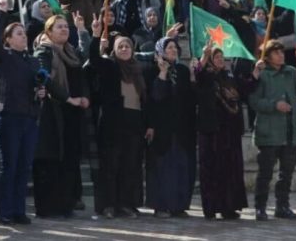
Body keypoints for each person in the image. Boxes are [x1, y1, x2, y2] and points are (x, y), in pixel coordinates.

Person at [0, 0, 44, 225]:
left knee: (23, 167)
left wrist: (40, 93)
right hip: (8, 116)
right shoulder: (4, 56)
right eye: (18, 34)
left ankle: (19, 210)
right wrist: (1, 11)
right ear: (8, 40)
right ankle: (6, 211)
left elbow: (37, 84)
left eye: (24, 33)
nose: (23, 36)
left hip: (29, 118)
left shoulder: (32, 61)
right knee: (9, 166)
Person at [195, 43, 263, 219]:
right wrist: (204, 56)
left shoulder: (229, 76)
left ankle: (229, 207)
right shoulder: (206, 76)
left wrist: (256, 72)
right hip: (212, 131)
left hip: (230, 131)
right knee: (212, 169)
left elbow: (245, 88)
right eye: (216, 57)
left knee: (230, 169)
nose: (220, 60)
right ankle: (211, 208)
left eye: (221, 57)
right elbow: (198, 74)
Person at [33, 13, 91, 218]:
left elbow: (83, 59)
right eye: (59, 27)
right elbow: (45, 78)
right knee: (52, 159)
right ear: (48, 32)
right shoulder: (44, 51)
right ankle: (49, 207)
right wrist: (67, 98)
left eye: (66, 26)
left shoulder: (70, 51)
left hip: (72, 113)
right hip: (53, 111)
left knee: (69, 159)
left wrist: (82, 30)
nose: (64, 29)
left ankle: (66, 203)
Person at [90, 17, 147, 218]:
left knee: (129, 166)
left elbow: (144, 100)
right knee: (110, 166)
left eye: (127, 46)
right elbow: (94, 60)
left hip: (134, 123)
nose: (124, 49)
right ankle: (108, 205)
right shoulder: (110, 66)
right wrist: (95, 36)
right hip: (113, 123)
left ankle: (125, 204)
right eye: (120, 47)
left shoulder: (138, 70)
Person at [249, 39, 296, 221]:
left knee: (287, 173)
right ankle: (260, 207)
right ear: (267, 56)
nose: (281, 55)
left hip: (290, 130)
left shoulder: (290, 72)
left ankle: (282, 206)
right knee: (265, 173)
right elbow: (254, 101)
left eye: (282, 52)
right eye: (276, 53)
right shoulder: (262, 74)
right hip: (269, 131)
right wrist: (275, 105)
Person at [146, 37, 197, 218]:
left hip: (181, 128)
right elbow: (155, 97)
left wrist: (193, 77)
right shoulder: (152, 70)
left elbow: (190, 99)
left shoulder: (182, 70)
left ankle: (178, 206)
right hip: (162, 128)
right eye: (169, 47)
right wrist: (162, 73)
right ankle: (161, 206)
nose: (173, 50)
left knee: (181, 167)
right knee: (162, 168)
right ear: (161, 51)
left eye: (175, 47)